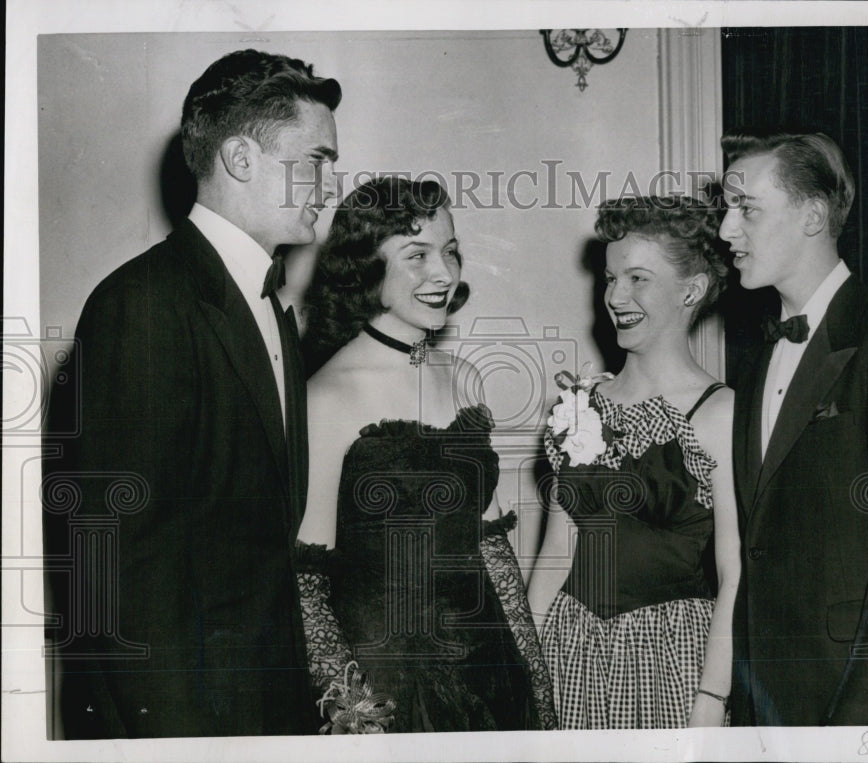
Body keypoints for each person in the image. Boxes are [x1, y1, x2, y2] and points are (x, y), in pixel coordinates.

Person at [44, 49, 341, 738]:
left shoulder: (269, 307)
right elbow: (123, 572)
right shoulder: (142, 305)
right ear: (240, 158)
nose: (329, 186)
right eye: (317, 160)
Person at [295, 176, 556, 733]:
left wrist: (534, 675)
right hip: (388, 686)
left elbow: (492, 550)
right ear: (366, 268)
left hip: (489, 668)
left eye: (451, 251)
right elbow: (306, 584)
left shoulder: (463, 377)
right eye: (417, 255)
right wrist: (356, 715)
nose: (444, 273)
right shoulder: (325, 395)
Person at [720, 128, 868, 725]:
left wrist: (856, 733)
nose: (725, 230)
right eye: (727, 208)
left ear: (813, 215)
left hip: (852, 709)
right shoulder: (753, 360)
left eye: (746, 208)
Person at [526, 196, 741, 729]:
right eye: (610, 278)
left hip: (670, 659)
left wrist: (712, 699)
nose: (615, 296)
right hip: (570, 651)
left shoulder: (720, 412)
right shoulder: (579, 405)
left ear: (691, 290)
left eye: (638, 279)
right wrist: (526, 670)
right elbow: (555, 554)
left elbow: (734, 573)